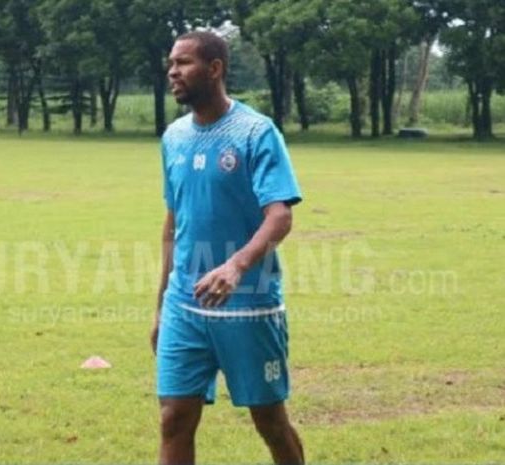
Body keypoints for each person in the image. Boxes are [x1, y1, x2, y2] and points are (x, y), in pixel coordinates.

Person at [151, 31, 305, 465]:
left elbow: (280, 215)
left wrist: (236, 266)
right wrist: (162, 306)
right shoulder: (174, 137)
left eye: (183, 63)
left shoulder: (256, 132)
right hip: (185, 304)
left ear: (214, 68)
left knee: (269, 420)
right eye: (170, 64)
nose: (172, 73)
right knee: (173, 418)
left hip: (248, 305)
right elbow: (172, 225)